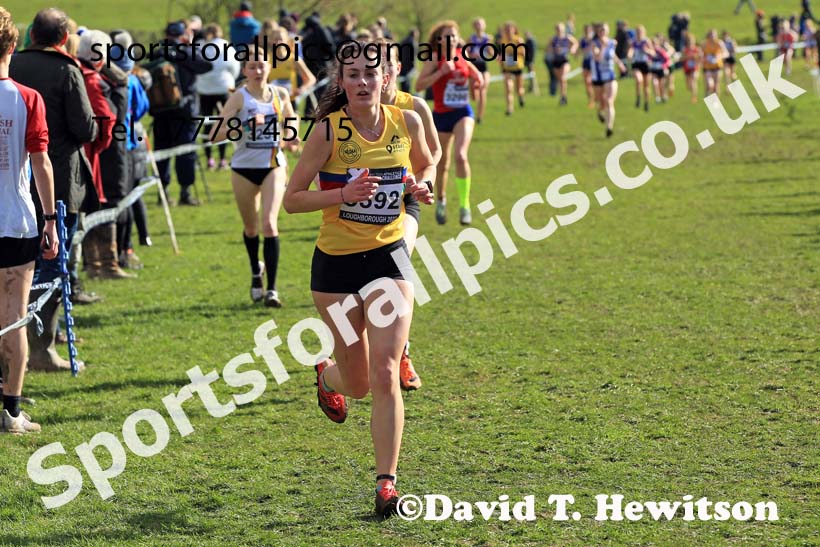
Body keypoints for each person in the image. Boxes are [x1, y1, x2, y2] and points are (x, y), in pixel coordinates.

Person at [283, 43, 435, 517]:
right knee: (358, 383)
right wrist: (341, 194)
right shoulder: (328, 131)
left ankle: (386, 484)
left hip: (390, 257)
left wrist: (419, 186)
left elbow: (426, 162)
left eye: (372, 73)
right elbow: (292, 199)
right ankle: (326, 374)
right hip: (337, 266)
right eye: (353, 75)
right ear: (341, 81)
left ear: (386, 77)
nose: (363, 82)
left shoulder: (405, 122)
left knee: (386, 371)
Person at [10, 8, 97, 372]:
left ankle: (16, 352)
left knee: (14, 272)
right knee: (53, 269)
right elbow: (84, 128)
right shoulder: (67, 70)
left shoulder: (11, 65)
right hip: (57, 179)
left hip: (13, 181)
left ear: (31, 35)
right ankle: (42, 349)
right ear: (63, 38)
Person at [0, 7, 59, 433]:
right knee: (13, 318)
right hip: (15, 221)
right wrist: (52, 217)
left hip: (14, 220)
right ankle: (12, 412)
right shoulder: (26, 98)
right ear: (13, 46)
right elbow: (41, 162)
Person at [211, 47, 299, 307]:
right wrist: (245, 125)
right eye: (252, 67)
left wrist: (291, 134)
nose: (258, 71)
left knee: (269, 225)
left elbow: (291, 117)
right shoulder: (239, 98)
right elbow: (215, 134)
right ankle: (255, 271)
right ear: (245, 71)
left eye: (261, 66)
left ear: (269, 67)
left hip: (273, 165)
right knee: (251, 229)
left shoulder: (280, 94)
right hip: (243, 168)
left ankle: (272, 290)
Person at [379, 39, 442, 391]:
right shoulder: (351, 112)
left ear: (396, 70)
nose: (381, 76)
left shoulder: (414, 107)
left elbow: (433, 154)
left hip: (405, 202)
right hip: (358, 211)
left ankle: (401, 352)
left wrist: (424, 182)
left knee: (397, 267)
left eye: (386, 68)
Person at [415, 21, 485, 226]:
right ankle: (441, 201)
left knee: (461, 156)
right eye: (447, 36)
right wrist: (440, 72)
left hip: (463, 111)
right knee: (442, 163)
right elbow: (418, 85)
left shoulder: (460, 53)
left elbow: (471, 69)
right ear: (439, 39)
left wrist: (477, 76)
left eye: (454, 36)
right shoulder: (435, 58)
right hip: (441, 115)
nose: (452, 39)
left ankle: (465, 206)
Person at [149, 21, 212, 206]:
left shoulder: (156, 51)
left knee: (163, 151)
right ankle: (185, 192)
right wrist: (188, 47)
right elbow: (206, 65)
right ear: (183, 34)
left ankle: (164, 192)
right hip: (185, 111)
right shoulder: (187, 52)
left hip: (160, 111)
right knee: (186, 152)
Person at [196, 23, 240, 171]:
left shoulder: (201, 47)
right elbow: (234, 67)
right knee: (224, 124)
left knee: (208, 123)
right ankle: (222, 159)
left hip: (205, 89)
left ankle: (209, 158)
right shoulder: (226, 46)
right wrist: (230, 81)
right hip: (223, 87)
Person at [591, 23, 625, 138]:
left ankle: (609, 127)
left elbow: (613, 55)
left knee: (610, 101)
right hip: (599, 76)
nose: (602, 32)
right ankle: (600, 112)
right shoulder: (595, 44)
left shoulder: (612, 43)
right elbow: (598, 58)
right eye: (601, 30)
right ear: (598, 32)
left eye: (604, 30)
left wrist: (619, 63)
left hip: (610, 75)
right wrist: (603, 47)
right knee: (601, 102)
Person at [267, 27, 316, 101]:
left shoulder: (293, 59)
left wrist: (301, 89)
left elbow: (311, 79)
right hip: (271, 101)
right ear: (270, 41)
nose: (278, 42)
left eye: (281, 39)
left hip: (290, 101)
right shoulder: (266, 59)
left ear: (286, 41)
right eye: (275, 39)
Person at [466, 18, 491, 123]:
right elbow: (466, 53)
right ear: (474, 26)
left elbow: (490, 52)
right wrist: (472, 55)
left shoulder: (488, 38)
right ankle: (473, 109)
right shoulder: (471, 39)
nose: (478, 26)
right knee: (474, 94)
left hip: (483, 66)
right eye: (476, 24)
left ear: (484, 26)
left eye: (480, 24)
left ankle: (479, 117)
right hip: (473, 66)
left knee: (482, 91)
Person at [499, 21, 527, 115]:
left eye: (509, 29)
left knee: (519, 89)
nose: (508, 31)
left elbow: (523, 53)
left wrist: (514, 53)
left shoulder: (518, 40)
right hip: (507, 68)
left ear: (514, 30)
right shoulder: (503, 41)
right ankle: (509, 109)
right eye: (506, 29)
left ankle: (521, 97)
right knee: (508, 88)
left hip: (518, 67)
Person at [550, 22, 578, 105]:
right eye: (557, 29)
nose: (559, 30)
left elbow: (575, 43)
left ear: (563, 29)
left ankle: (563, 97)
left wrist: (572, 49)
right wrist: (554, 50)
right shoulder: (553, 39)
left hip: (564, 60)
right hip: (556, 61)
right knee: (560, 80)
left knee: (562, 78)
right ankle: (563, 95)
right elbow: (549, 48)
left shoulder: (567, 38)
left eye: (560, 29)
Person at [629, 25, 653, 111]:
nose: (639, 34)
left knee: (646, 86)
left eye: (640, 32)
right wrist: (630, 55)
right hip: (636, 63)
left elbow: (653, 53)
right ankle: (638, 96)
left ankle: (646, 103)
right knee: (639, 80)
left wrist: (647, 51)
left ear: (643, 32)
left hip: (645, 64)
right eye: (637, 32)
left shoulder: (646, 41)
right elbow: (630, 50)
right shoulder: (633, 41)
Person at [702, 29, 727, 96]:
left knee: (716, 86)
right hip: (707, 67)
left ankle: (715, 102)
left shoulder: (719, 43)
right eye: (711, 35)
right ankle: (707, 95)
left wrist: (719, 57)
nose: (713, 37)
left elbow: (726, 53)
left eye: (714, 35)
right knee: (710, 84)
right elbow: (701, 54)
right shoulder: (704, 44)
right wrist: (706, 58)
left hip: (717, 67)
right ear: (708, 36)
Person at [649, 34, 670, 104]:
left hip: (660, 69)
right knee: (655, 83)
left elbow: (667, 60)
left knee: (661, 84)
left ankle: (663, 95)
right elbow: (648, 60)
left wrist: (664, 66)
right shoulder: (650, 52)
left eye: (654, 44)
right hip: (653, 69)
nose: (654, 45)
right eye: (652, 44)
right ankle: (657, 97)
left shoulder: (660, 51)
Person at [681, 34, 702, 103]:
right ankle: (692, 91)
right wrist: (687, 57)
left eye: (692, 41)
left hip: (695, 68)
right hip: (687, 68)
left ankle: (694, 97)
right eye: (689, 41)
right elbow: (682, 59)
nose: (690, 43)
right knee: (688, 86)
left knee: (693, 80)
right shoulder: (685, 50)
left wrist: (695, 57)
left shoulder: (697, 49)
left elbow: (700, 58)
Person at [578, 24, 595, 108]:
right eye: (585, 30)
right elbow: (580, 50)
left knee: (591, 81)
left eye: (588, 30)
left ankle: (595, 97)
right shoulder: (582, 40)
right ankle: (591, 99)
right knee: (586, 82)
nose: (587, 31)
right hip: (585, 61)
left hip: (593, 61)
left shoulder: (594, 39)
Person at [397, 28, 418, 93]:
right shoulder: (412, 42)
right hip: (409, 64)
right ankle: (406, 94)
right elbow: (413, 55)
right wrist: (414, 66)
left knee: (403, 80)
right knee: (407, 81)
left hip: (401, 62)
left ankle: (403, 93)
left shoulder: (403, 41)